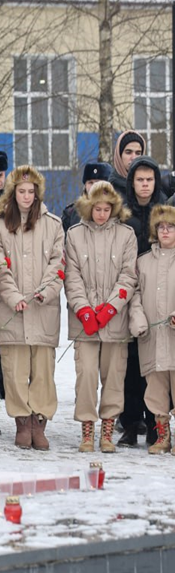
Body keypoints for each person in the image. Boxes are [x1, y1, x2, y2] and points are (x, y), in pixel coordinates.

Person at [0, 166, 64, 451]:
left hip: (43, 309)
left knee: (43, 371)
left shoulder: (53, 225)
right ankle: (22, 422)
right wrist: (12, 295)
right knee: (15, 370)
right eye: (22, 191)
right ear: (12, 193)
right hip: (13, 310)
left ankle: (39, 422)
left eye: (32, 192)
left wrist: (46, 291)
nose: (27, 196)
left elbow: (58, 264)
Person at [64, 181, 137, 453]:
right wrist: (83, 309)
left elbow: (129, 275)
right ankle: (87, 429)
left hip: (114, 321)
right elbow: (72, 277)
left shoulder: (126, 235)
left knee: (114, 376)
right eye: (97, 208)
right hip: (85, 322)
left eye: (107, 209)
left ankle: (107, 429)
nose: (102, 214)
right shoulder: (74, 235)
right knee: (85, 376)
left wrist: (110, 307)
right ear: (89, 207)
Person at [119, 155, 166, 446]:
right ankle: (130, 421)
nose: (145, 185)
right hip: (130, 291)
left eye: (149, 179)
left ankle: (156, 423)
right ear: (132, 182)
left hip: (160, 291)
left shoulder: (166, 210)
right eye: (140, 180)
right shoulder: (123, 212)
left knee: (157, 363)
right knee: (131, 363)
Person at [129, 205, 175, 454]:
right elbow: (134, 293)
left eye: (170, 227)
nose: (165, 231)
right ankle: (162, 435)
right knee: (156, 389)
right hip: (152, 337)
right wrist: (137, 318)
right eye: (161, 227)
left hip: (173, 336)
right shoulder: (143, 261)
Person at [62, 162, 113, 232]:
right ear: (85, 185)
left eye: (98, 183)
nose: (94, 187)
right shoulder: (71, 213)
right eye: (90, 183)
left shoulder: (116, 211)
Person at [110, 130, 146, 195]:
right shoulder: (111, 191)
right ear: (119, 156)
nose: (133, 158)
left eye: (138, 153)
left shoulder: (150, 187)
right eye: (128, 152)